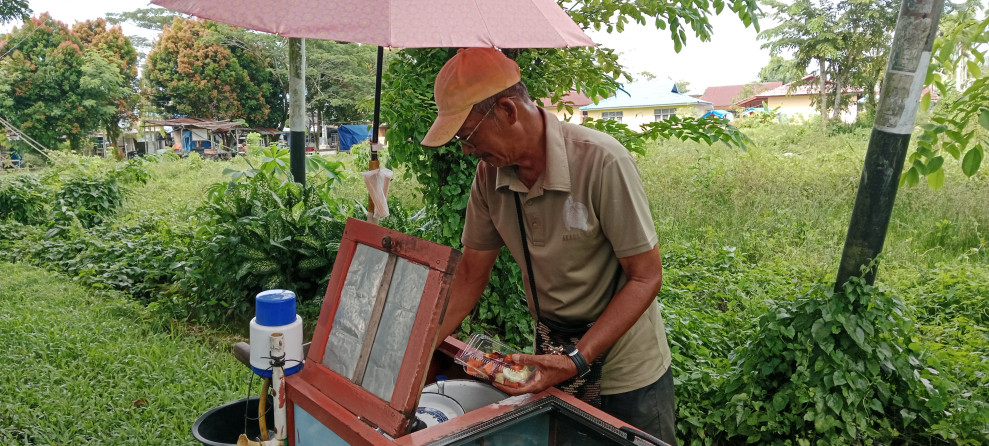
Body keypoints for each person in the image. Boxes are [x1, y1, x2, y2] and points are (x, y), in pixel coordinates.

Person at [421, 48, 677, 445]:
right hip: (554, 358)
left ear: (507, 111)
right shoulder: (489, 178)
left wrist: (578, 358)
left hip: (627, 371)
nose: (467, 150)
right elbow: (472, 272)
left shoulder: (602, 162)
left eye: (467, 135)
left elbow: (646, 276)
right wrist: (423, 346)